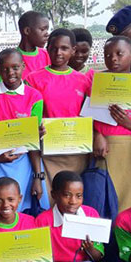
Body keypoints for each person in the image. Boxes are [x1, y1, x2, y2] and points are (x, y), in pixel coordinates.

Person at [0, 49, 48, 214]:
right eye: (5, 69)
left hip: (23, 163)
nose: (10, 73)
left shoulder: (34, 96)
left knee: (20, 207)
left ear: (23, 66)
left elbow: (33, 143)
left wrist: (37, 176)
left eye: (15, 67)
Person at [26, 29, 90, 192]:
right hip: (46, 153)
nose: (58, 53)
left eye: (64, 48)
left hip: (76, 152)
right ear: (47, 49)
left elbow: (89, 116)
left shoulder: (83, 81)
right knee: (50, 197)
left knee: (73, 197)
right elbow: (29, 118)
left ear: (73, 50)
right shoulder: (33, 79)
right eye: (53, 48)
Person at [90, 36, 131, 211]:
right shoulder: (96, 83)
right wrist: (97, 134)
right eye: (108, 55)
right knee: (103, 198)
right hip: (103, 148)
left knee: (129, 200)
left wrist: (129, 124)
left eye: (119, 54)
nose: (113, 59)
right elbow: (86, 117)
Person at [33, 171, 104, 262]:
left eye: (79, 196)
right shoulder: (43, 220)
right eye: (67, 195)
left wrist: (90, 249)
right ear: (54, 195)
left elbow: (97, 257)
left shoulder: (91, 215)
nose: (73, 201)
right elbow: (41, 261)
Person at [0, 12, 50, 82]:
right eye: (42, 29)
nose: (47, 34)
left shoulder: (47, 56)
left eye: (47, 30)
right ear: (27, 31)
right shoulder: (5, 58)